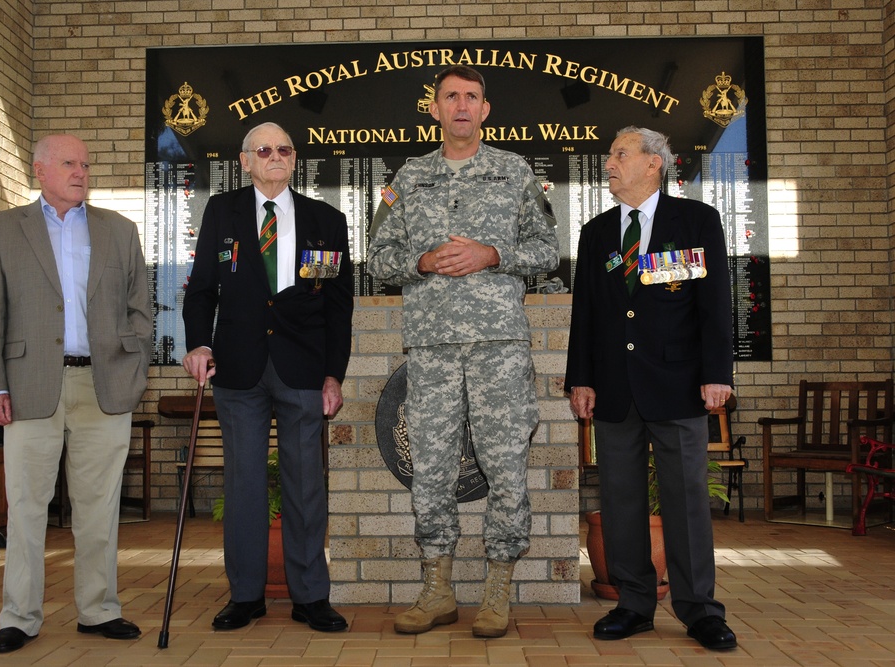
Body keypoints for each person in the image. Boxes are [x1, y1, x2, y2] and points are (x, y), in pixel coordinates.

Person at [366, 65, 559, 639]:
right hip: (432, 347)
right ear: (434, 108)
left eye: (471, 97)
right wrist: (421, 262)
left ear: (485, 109)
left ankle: (497, 588)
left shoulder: (514, 171)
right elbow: (378, 258)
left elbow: (547, 249)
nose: (461, 106)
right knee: (430, 467)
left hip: (499, 344)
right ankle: (438, 589)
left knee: (504, 465)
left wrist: (493, 254)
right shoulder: (410, 177)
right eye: (450, 96)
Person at [0, 134, 152, 654]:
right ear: (40, 171)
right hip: (28, 386)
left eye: (86, 164)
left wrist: (133, 366)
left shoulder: (119, 231)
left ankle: (98, 610)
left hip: (103, 384)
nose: (81, 172)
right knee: (27, 505)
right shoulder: (2, 230)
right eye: (70, 163)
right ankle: (19, 616)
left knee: (100, 507)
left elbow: (141, 307)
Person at [565, 126, 738, 650]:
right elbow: (586, 313)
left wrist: (717, 373)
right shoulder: (597, 233)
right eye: (610, 156)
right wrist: (582, 379)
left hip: (679, 384)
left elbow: (712, 303)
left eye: (620, 154)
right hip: (615, 388)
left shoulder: (696, 221)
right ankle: (634, 603)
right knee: (619, 499)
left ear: (653, 164)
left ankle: (699, 609)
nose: (610, 164)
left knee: (685, 499)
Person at [182, 121, 353, 633]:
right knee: (245, 484)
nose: (274, 156)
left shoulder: (327, 219)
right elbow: (202, 289)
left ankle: (310, 597)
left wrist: (333, 374)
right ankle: (246, 595)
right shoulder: (222, 211)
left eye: (283, 149)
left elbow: (337, 308)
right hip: (238, 367)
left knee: (305, 486)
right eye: (264, 150)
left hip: (302, 368)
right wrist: (198, 342)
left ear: (294, 158)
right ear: (245, 161)